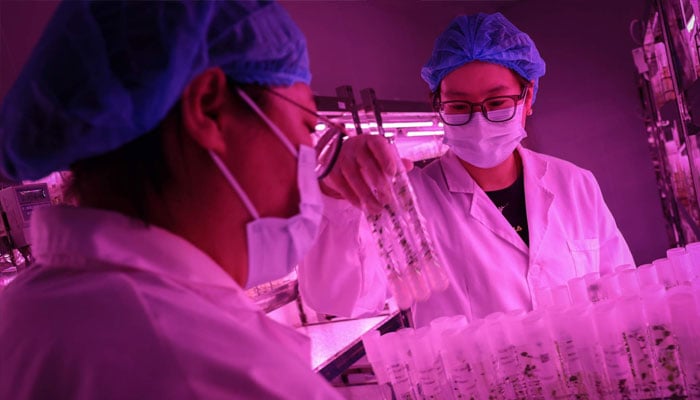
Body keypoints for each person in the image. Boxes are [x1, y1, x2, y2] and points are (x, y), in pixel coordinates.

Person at [0, 1, 344, 399]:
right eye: (308, 126)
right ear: (209, 108)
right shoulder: (226, 377)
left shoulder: (23, 313)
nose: (310, 162)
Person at [299, 12, 635, 327]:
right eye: (459, 106)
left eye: (497, 102)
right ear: (438, 107)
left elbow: (622, 288)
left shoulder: (575, 184)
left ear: (528, 97)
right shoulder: (408, 201)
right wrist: (334, 194)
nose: (479, 120)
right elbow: (336, 296)